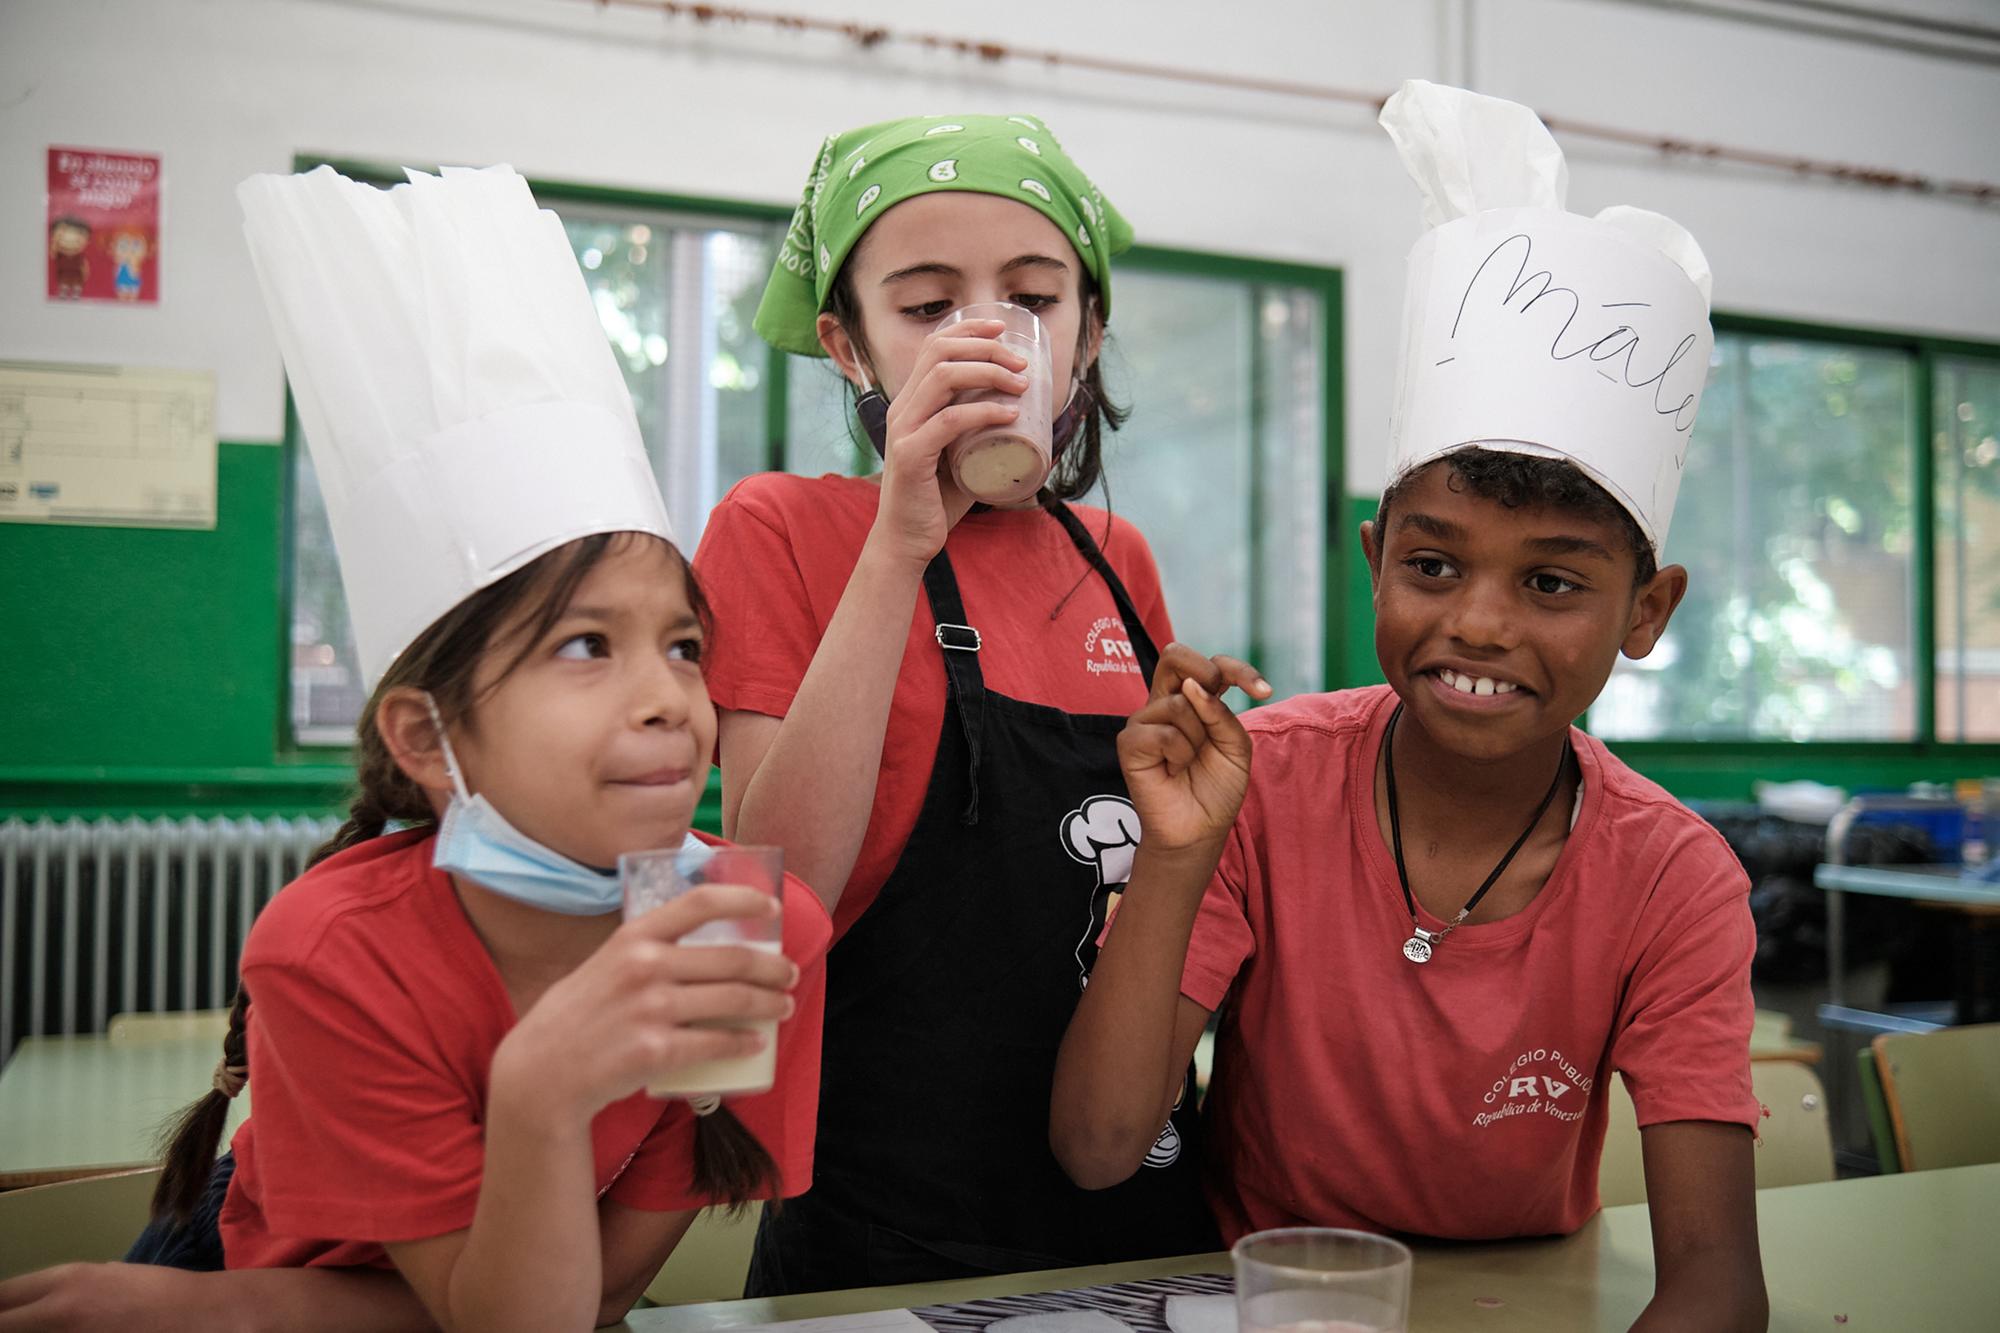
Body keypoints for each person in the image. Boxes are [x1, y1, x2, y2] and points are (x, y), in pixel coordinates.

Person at [0, 164, 827, 1333]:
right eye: (585, 645)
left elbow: (576, 1305)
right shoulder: (338, 950)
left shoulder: (751, 928)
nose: (671, 699)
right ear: (426, 738)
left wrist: (539, 1095)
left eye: (685, 645)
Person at [1052, 82, 1769, 1333]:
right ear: (1374, 557)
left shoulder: (1673, 877)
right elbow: (1100, 1146)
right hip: (1262, 1297)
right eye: (1433, 564)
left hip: (1536, 1299)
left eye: (1550, 581)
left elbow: (1715, 1285)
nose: (1479, 624)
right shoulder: (1262, 781)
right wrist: (1173, 853)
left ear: (1644, 612)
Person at [694, 113, 1251, 1293]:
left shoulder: (1118, 557)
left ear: (1087, 334)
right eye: (927, 305)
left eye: (1034, 299)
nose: (986, 335)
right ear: (849, 347)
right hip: (882, 1229)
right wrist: (899, 541)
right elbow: (776, 891)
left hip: (1133, 1198)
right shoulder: (781, 528)